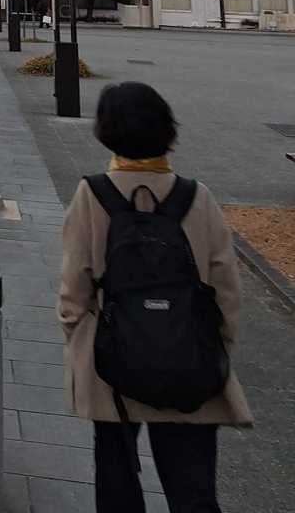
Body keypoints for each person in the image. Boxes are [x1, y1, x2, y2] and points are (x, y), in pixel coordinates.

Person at [59, 81, 252, 513]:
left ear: (106, 132)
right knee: (193, 489)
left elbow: (74, 288)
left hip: (114, 359)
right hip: (189, 359)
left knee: (117, 477)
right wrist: (214, 344)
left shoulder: (92, 195)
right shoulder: (196, 197)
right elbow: (226, 287)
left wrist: (80, 342)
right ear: (167, 128)